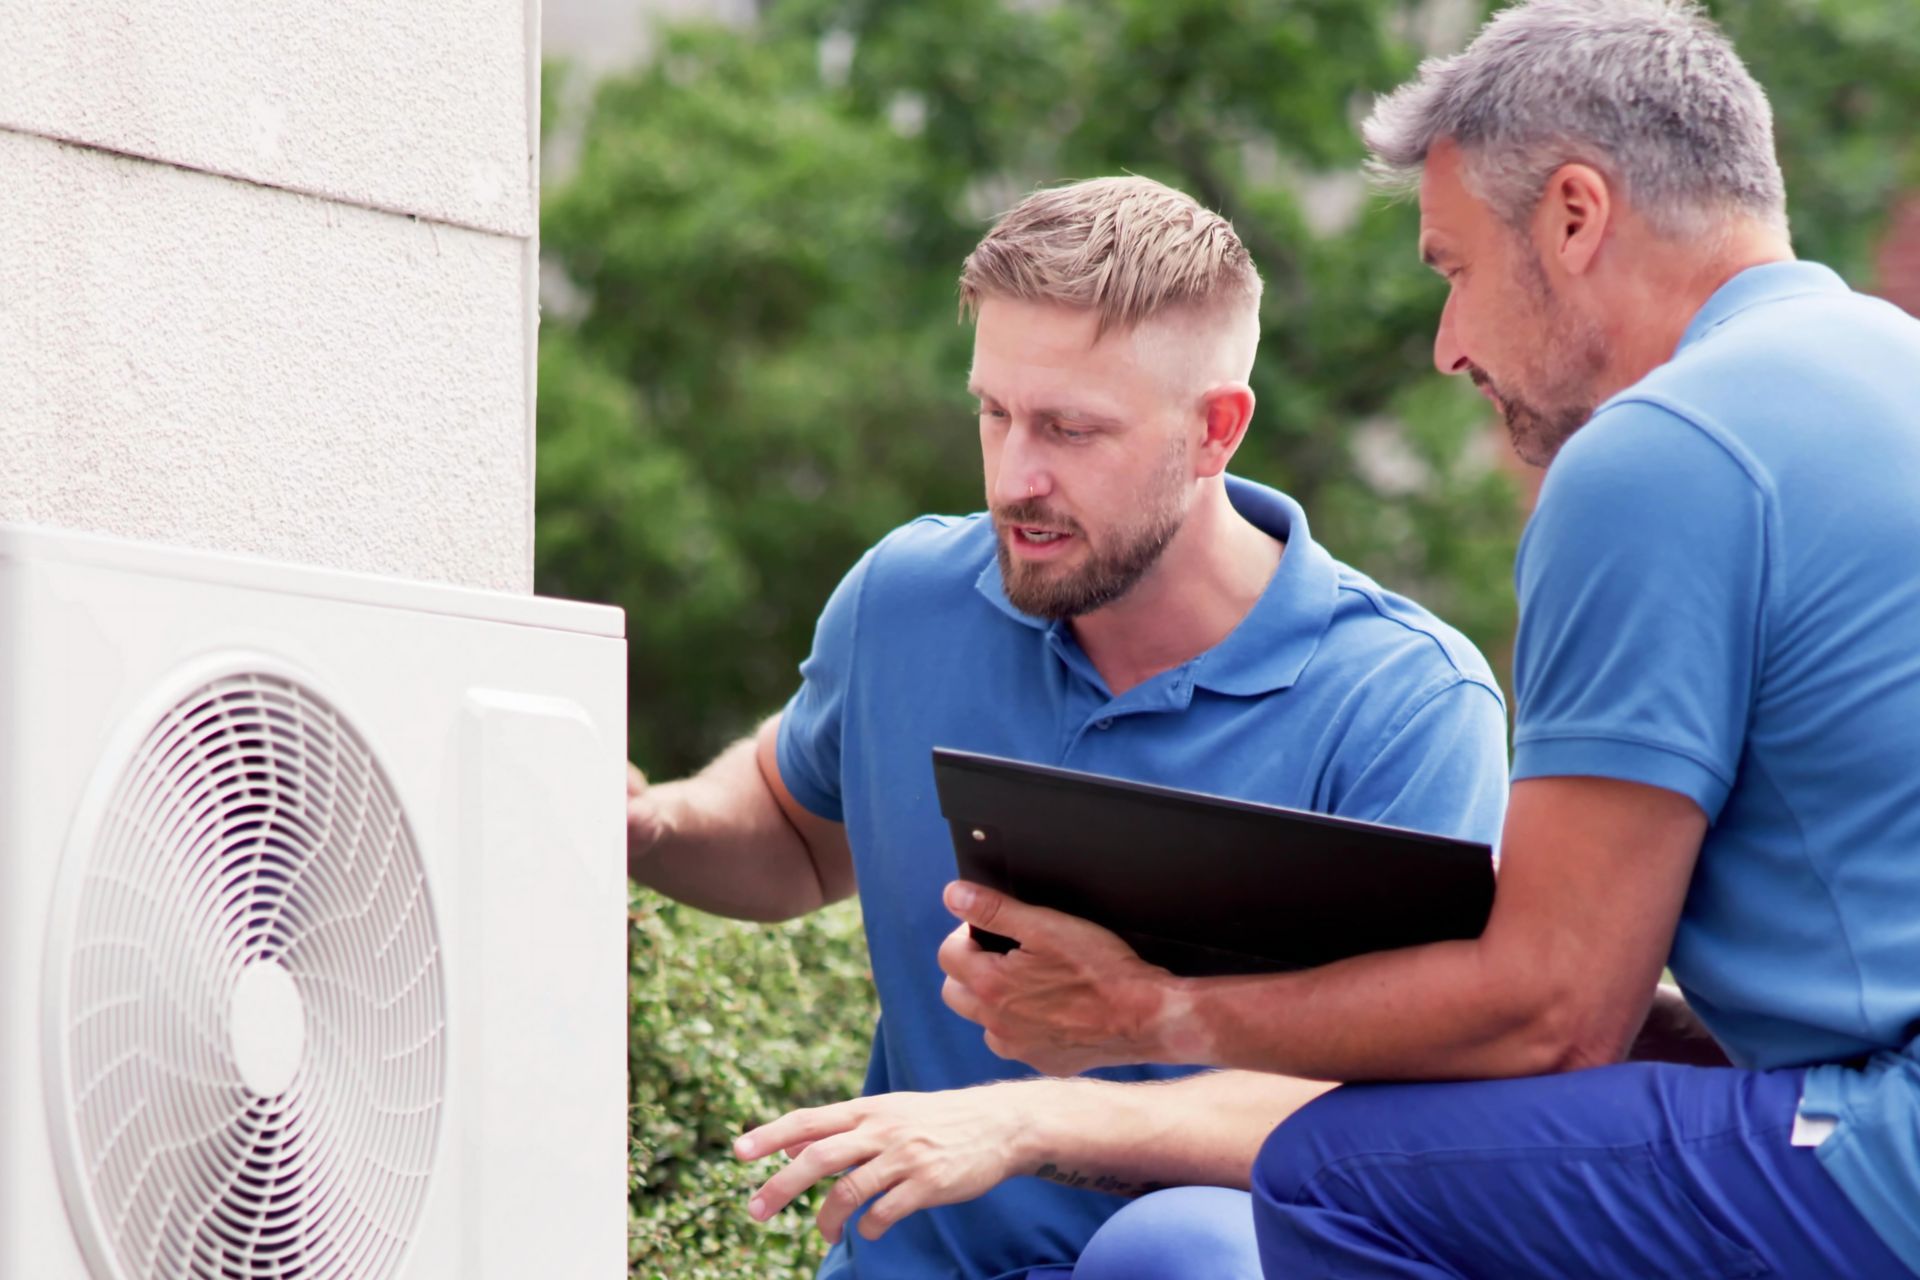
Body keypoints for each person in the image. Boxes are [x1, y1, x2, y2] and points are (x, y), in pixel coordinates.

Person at [935, 3, 1920, 1276]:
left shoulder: (1660, 452)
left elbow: (1558, 1011)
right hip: (1859, 1107)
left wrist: (1144, 1010)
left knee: (1336, 1172)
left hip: (1884, 1149)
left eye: (1453, 269)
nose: (1451, 344)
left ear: (1574, 215)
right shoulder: (1888, 366)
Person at [625, 174, 1511, 1279]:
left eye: (1071, 428)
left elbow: (1399, 1107)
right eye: (993, 412)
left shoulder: (1407, 703)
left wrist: (1023, 1121)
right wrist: (650, 825)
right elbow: (797, 831)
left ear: (1215, 430)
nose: (1015, 476)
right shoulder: (906, 598)